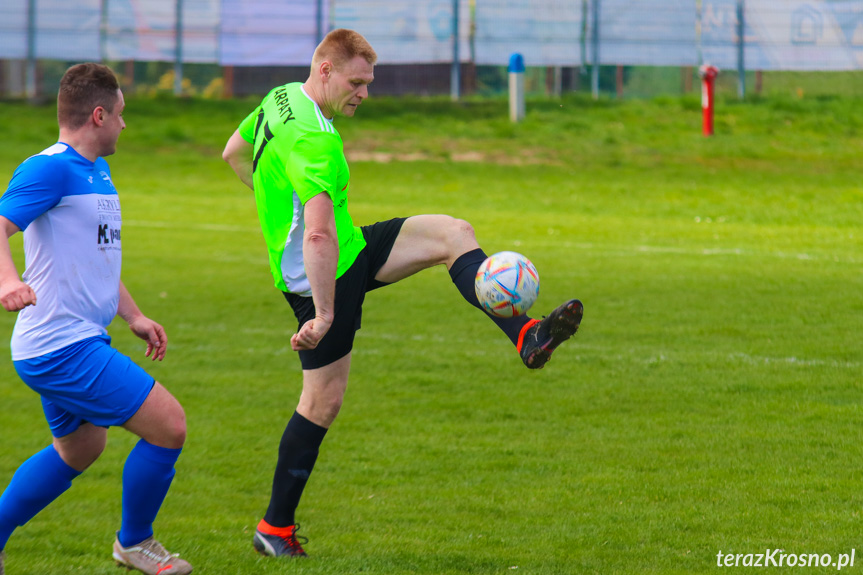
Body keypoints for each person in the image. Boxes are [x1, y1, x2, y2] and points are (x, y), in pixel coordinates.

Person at [222, 28, 583, 558]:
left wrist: (278, 212)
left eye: (369, 82)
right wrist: (322, 313)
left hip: (346, 248)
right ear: (325, 70)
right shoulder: (316, 141)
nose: (365, 93)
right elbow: (317, 234)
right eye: (357, 81)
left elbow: (234, 152)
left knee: (452, 234)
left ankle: (526, 334)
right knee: (322, 402)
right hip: (322, 276)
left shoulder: (281, 98)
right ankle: (274, 529)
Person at [0, 63, 192, 575]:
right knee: (169, 425)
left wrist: (133, 314)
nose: (125, 126)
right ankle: (135, 542)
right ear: (99, 114)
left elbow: (97, 255)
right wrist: (7, 281)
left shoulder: (97, 170)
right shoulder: (48, 169)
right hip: (60, 345)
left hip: (72, 340)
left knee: (80, 449)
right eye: (122, 115)